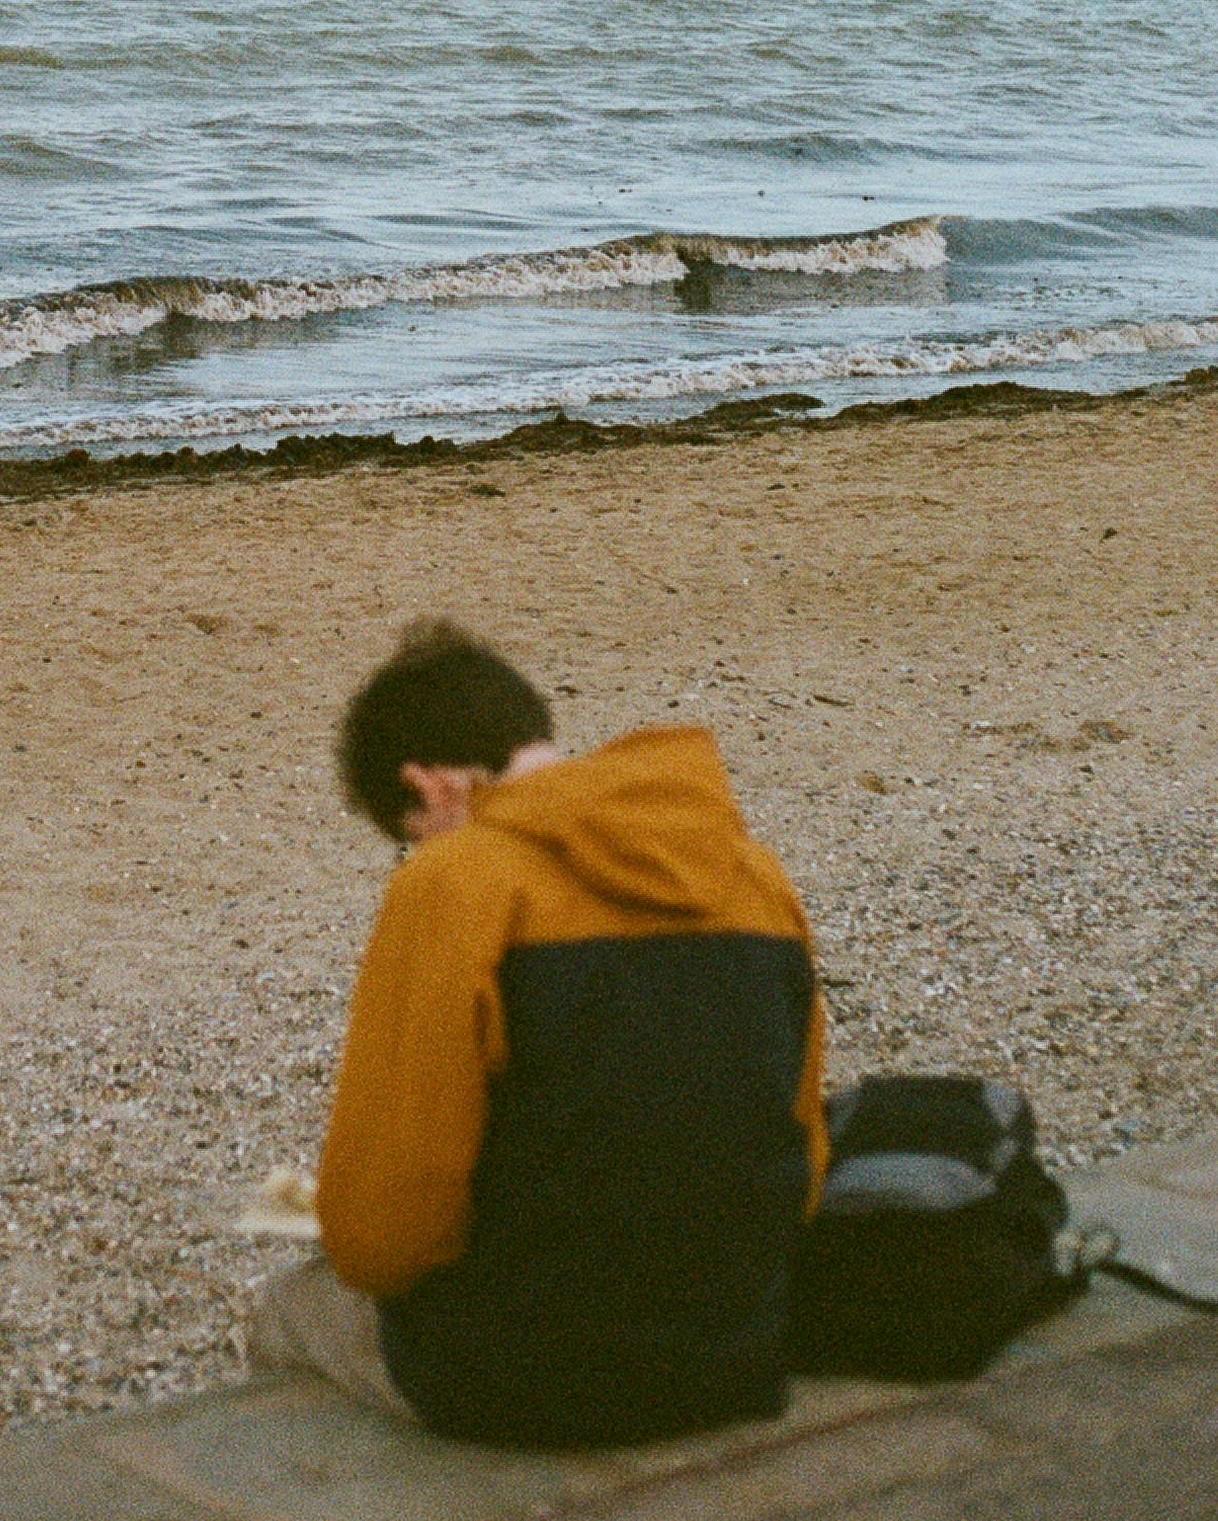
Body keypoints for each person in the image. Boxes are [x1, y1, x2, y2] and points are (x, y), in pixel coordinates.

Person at [250, 620, 827, 1448]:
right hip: (736, 1350)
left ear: (429, 787)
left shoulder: (456, 883)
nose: (416, 859)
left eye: (407, 839)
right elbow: (800, 1165)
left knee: (289, 1309)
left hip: (524, 1376)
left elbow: (384, 1237)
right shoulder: (752, 870)